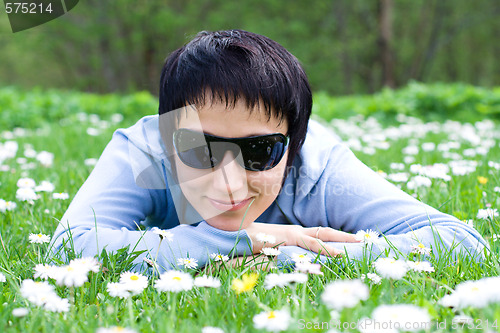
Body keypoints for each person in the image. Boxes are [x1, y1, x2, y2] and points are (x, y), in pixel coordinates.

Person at [51, 30, 486, 273]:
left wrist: (284, 254)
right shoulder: (142, 151)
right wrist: (246, 239)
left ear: (294, 146)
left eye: (260, 151)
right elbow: (67, 250)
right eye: (201, 148)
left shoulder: (317, 165)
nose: (228, 181)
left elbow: (461, 243)